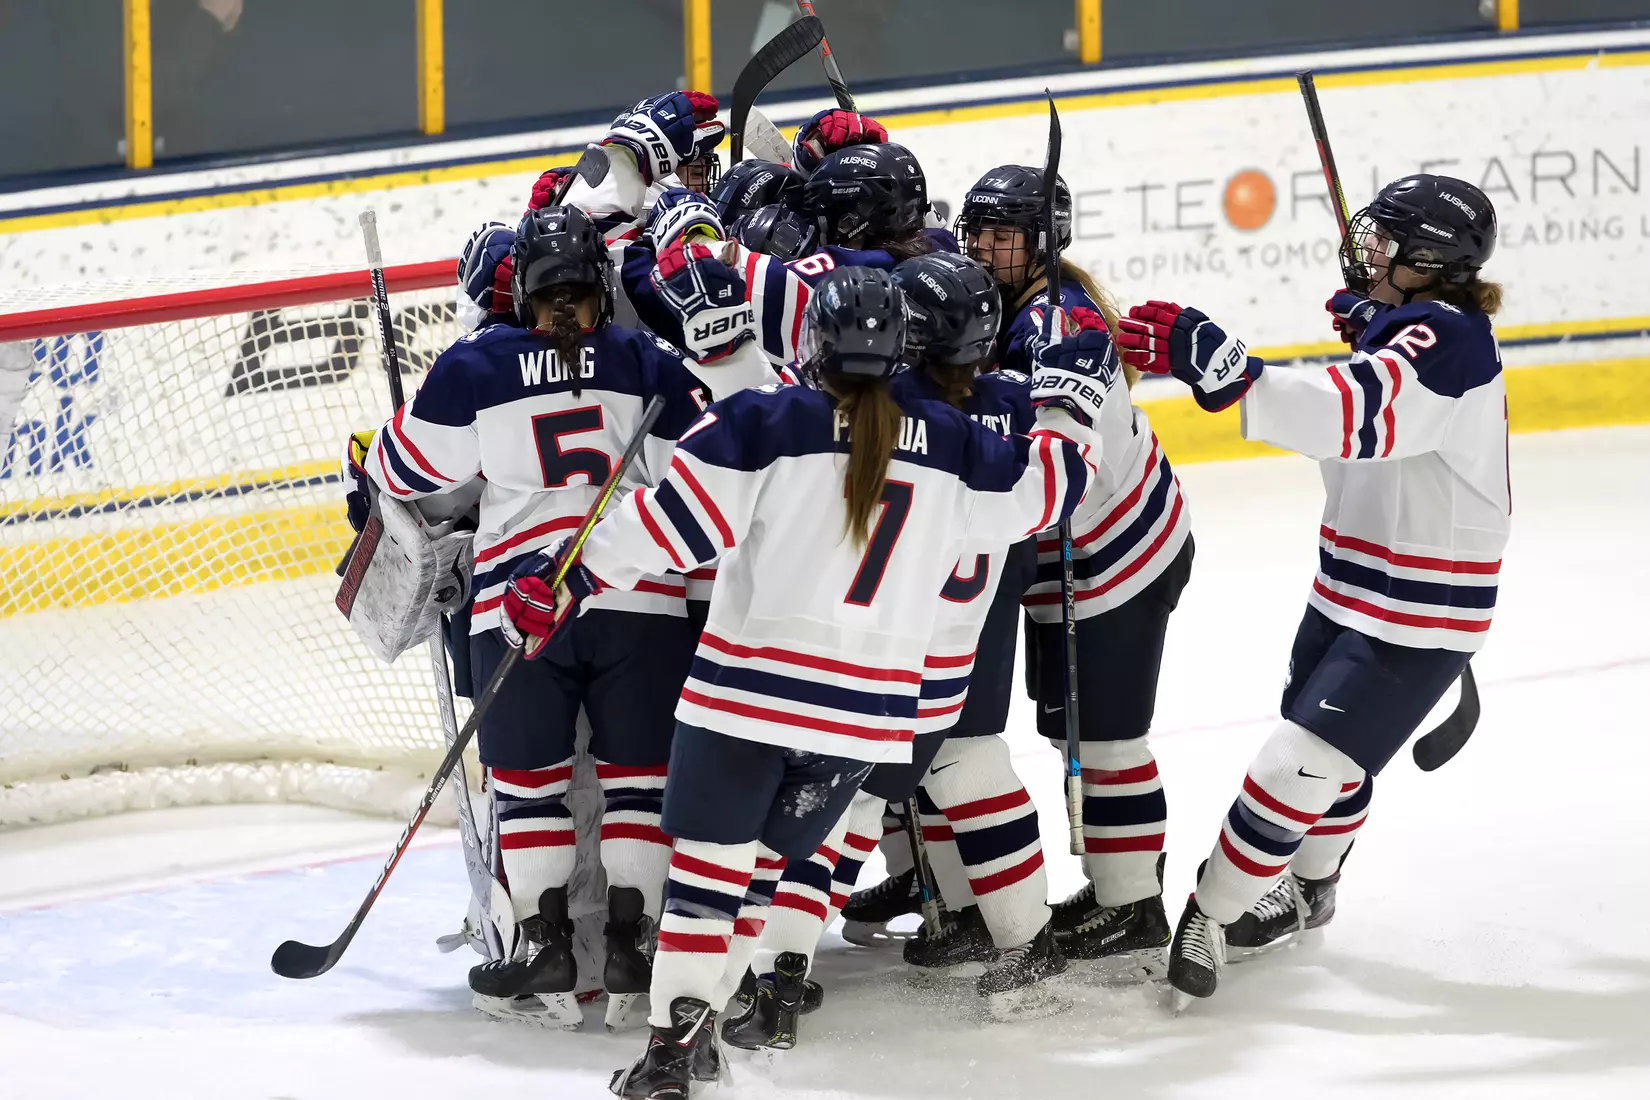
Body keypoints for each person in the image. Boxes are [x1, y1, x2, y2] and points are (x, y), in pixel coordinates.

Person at [497, 258, 1111, 1098]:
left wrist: (561, 578)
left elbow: (664, 529)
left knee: (709, 880)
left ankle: (672, 1051)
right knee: (757, 878)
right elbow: (1051, 489)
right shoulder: (960, 444)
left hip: (745, 704)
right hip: (861, 723)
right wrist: (1069, 408)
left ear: (816, 343)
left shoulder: (762, 420)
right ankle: (703, 1034)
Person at [349, 205, 754, 1030]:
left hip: (517, 610)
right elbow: (704, 470)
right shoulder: (645, 359)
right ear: (599, 283)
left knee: (529, 789)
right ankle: (633, 943)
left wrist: (386, 436)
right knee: (639, 781)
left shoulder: (474, 364)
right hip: (639, 600)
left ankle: (546, 947)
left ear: (520, 291)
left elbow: (402, 470)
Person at [1114, 174, 1508, 1003]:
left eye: (1387, 242)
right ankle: (1311, 885)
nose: (1368, 250)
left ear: (1430, 259)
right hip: (1354, 583)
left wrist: (1229, 371)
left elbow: (1350, 415)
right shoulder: (1422, 330)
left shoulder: (1445, 337)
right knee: (1335, 759)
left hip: (1416, 609)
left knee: (1298, 763)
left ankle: (1211, 912)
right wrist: (1379, 333)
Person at [871, 165, 1190, 981]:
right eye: (975, 231)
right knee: (1069, 728)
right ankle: (1108, 890)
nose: (982, 246)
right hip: (1059, 553)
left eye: (1002, 235)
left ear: (1044, 242)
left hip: (1115, 551)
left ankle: (1135, 906)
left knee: (1106, 736)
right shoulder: (1011, 302)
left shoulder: (1058, 322)